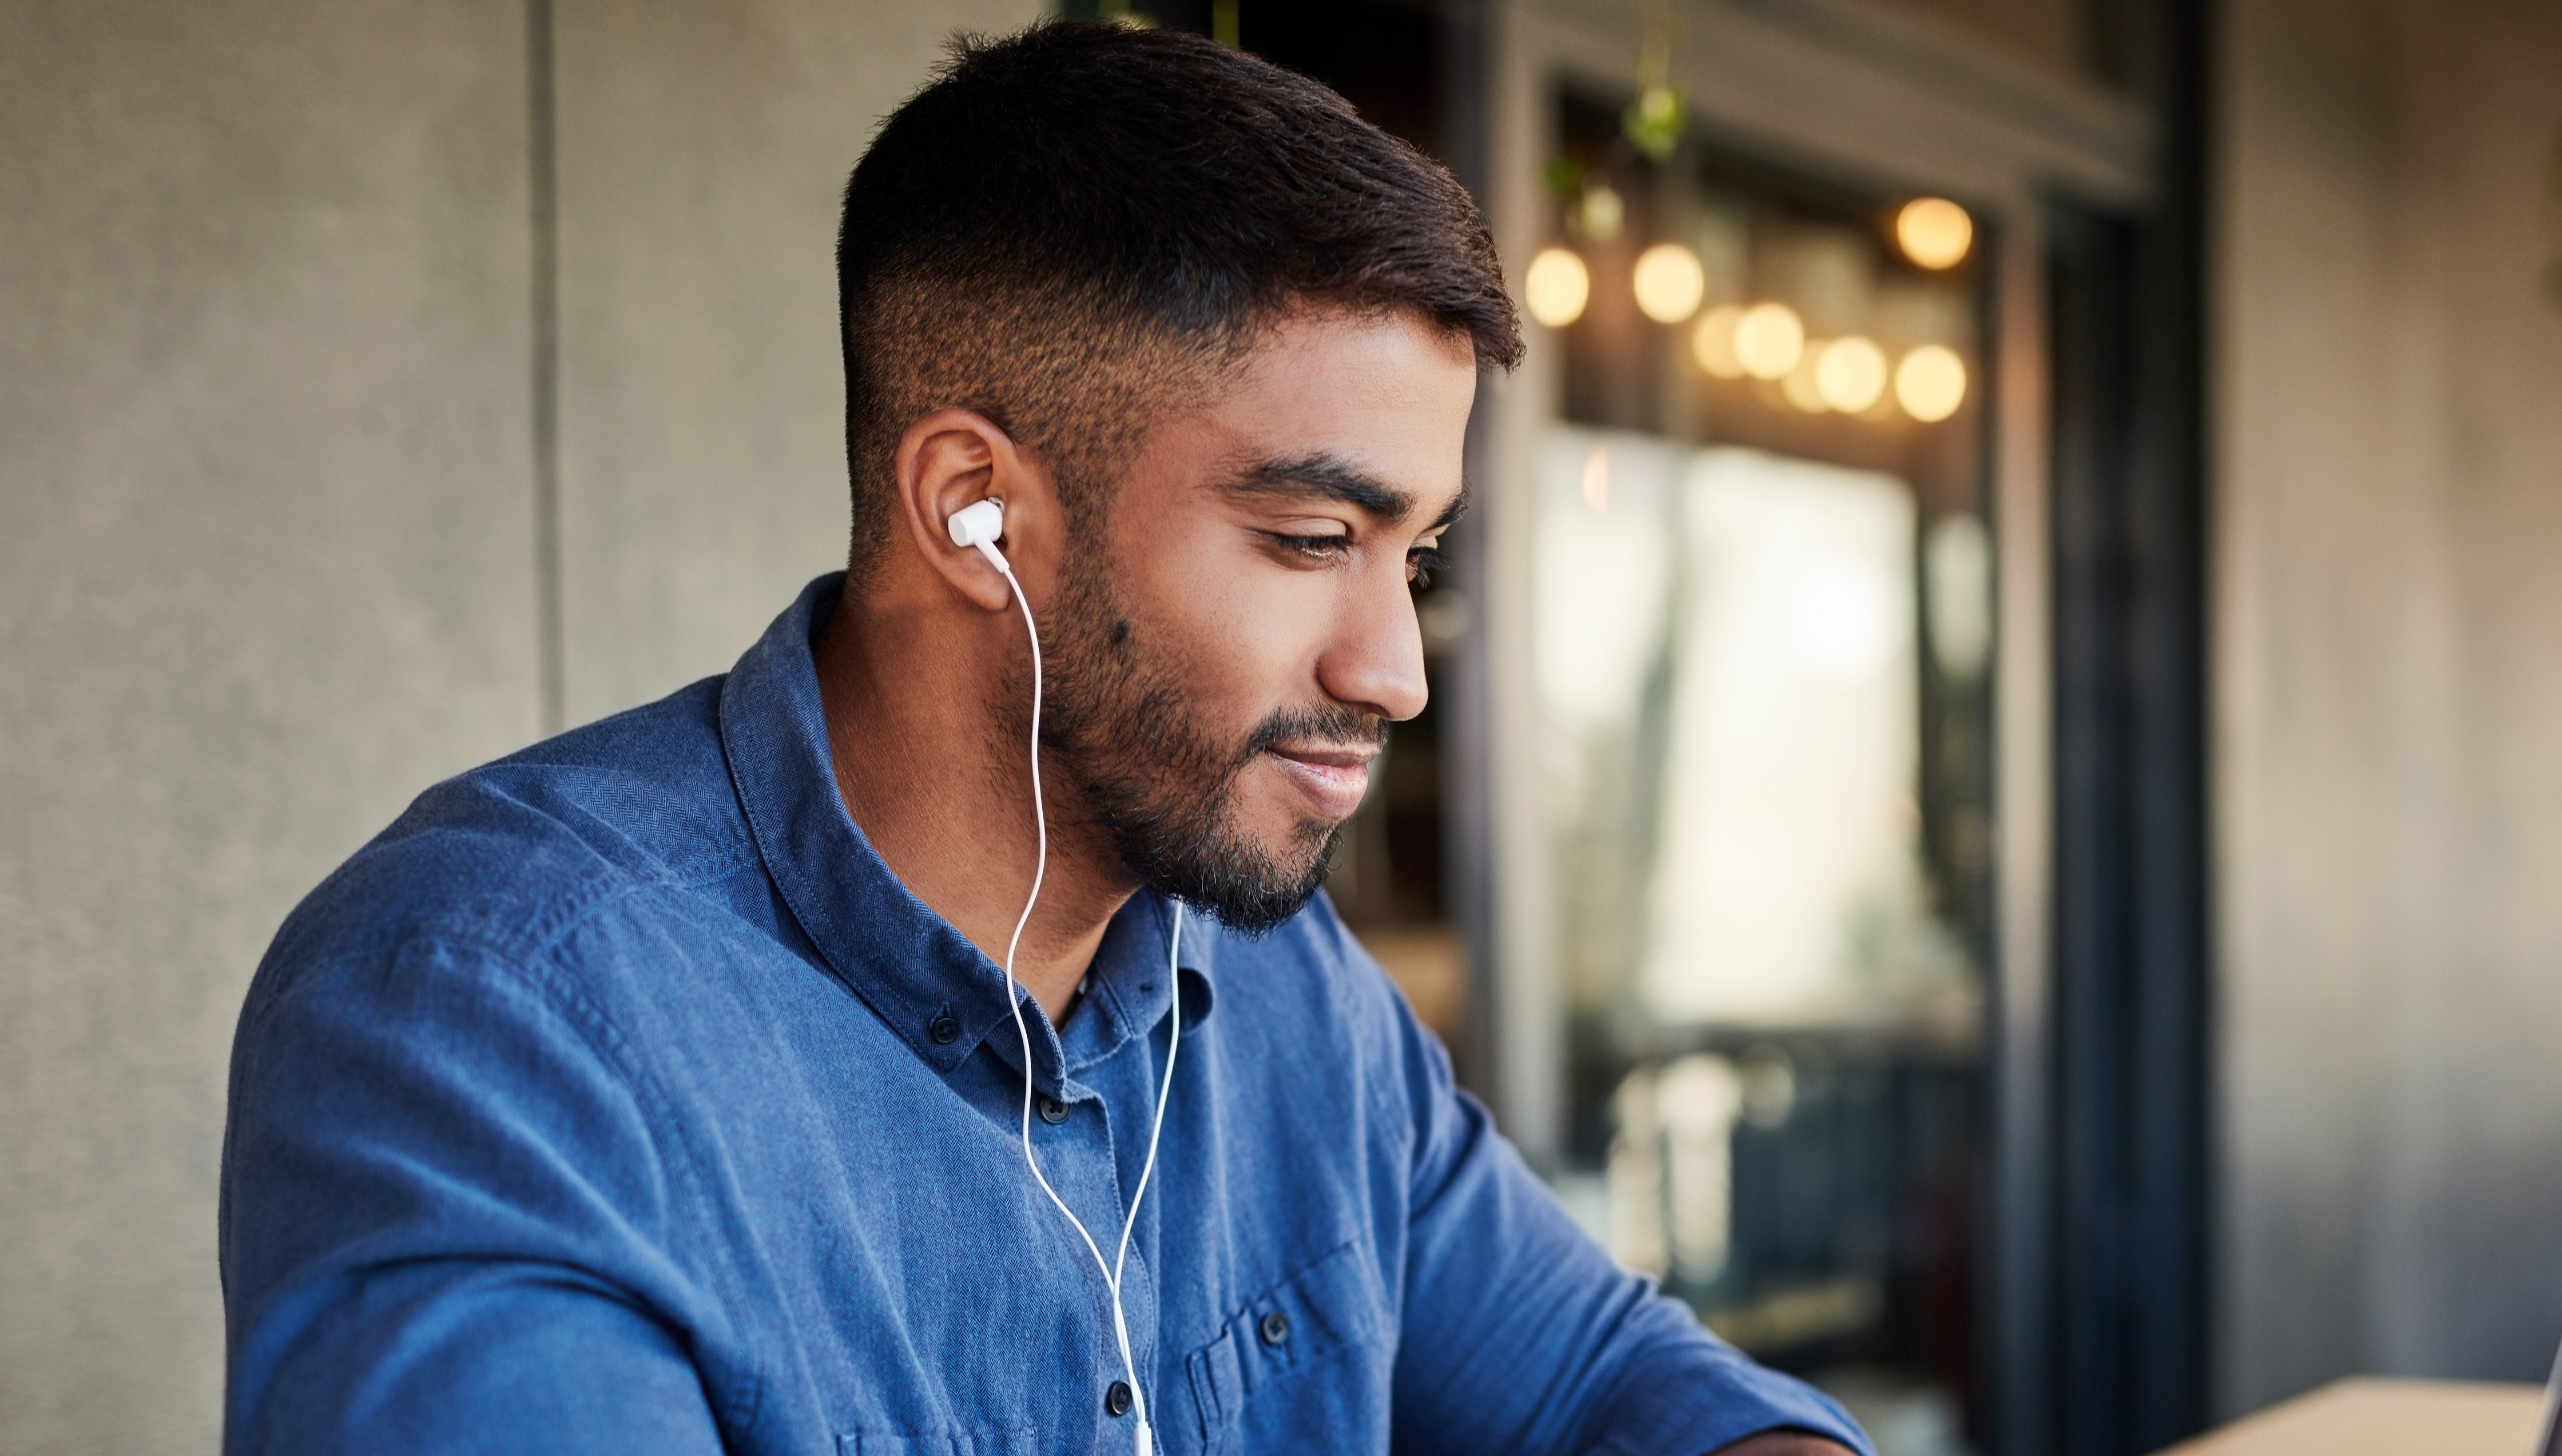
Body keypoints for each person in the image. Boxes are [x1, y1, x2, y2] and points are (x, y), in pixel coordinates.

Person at [219, 22, 1869, 1456]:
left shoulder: (1275, 981)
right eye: (1310, 538)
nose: (1393, 671)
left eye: (1414, 557)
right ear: (975, 507)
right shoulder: (490, 1017)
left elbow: (1605, 1386)